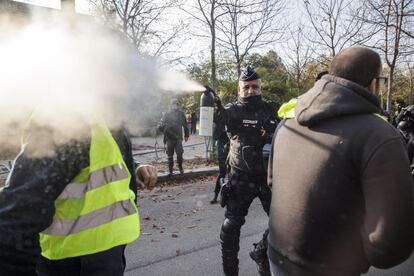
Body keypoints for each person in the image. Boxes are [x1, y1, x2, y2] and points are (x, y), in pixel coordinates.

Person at [268, 47, 414, 276]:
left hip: (277, 258)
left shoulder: (287, 120)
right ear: (373, 84)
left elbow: (272, 183)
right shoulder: (381, 135)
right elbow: (389, 246)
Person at [0, 119, 157, 276]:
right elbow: (17, 211)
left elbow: (105, 154)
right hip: (72, 258)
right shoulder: (62, 121)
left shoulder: (103, 115)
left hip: (107, 249)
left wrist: (135, 167)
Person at [213, 65, 279, 276]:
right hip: (240, 179)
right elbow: (220, 120)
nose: (251, 91)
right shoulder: (233, 111)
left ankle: (261, 252)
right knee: (230, 228)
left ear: (261, 87)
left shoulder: (273, 108)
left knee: (283, 226)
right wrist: (216, 112)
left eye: (255, 87)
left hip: (269, 179)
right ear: (239, 88)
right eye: (247, 87)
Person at [158, 98, 189, 176]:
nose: (175, 106)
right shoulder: (166, 114)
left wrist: (186, 135)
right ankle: (170, 170)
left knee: (179, 153)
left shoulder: (181, 114)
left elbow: (185, 125)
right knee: (170, 155)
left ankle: (180, 167)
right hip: (169, 138)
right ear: (171, 105)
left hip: (178, 138)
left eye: (176, 104)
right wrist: (161, 126)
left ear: (178, 105)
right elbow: (162, 126)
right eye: (173, 104)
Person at [210, 100, 229, 204]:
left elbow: (223, 113)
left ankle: (231, 195)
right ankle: (216, 195)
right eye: (214, 106)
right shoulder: (214, 116)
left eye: (216, 106)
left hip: (230, 146)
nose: (215, 108)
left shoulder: (225, 113)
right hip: (221, 145)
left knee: (232, 172)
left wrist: (219, 103)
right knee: (222, 172)